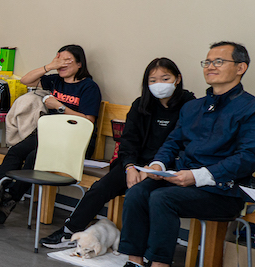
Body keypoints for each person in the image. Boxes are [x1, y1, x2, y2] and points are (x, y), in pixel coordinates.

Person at [104, 42, 255, 267]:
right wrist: (158, 166)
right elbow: (172, 143)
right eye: (207, 62)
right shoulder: (193, 107)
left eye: (219, 61)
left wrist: (198, 176)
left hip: (223, 190)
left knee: (162, 198)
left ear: (241, 68)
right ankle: (135, 264)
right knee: (139, 191)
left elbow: (247, 157)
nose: (210, 67)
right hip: (183, 180)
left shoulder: (250, 108)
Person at [42, 58, 195, 249]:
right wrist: (130, 166)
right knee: (101, 187)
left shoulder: (191, 107)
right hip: (134, 163)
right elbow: (128, 140)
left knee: (139, 193)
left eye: (165, 78)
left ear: (177, 79)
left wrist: (153, 168)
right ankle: (70, 231)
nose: (159, 84)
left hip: (166, 168)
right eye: (153, 80)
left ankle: (137, 248)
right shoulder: (141, 104)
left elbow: (185, 145)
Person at [0, 45, 102, 224]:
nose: (62, 64)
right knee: (16, 151)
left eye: (67, 60)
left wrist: (60, 107)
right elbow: (26, 80)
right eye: (59, 60)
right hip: (49, 135)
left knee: (34, 157)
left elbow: (88, 121)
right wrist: (50, 66)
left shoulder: (89, 87)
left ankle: (8, 201)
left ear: (80, 64)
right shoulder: (56, 81)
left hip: (74, 142)